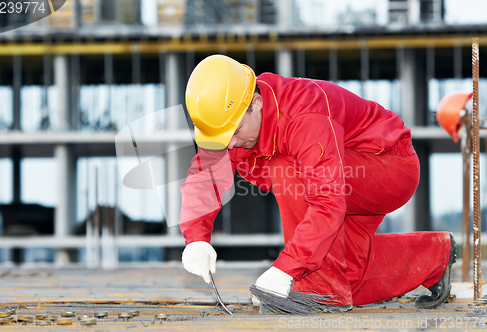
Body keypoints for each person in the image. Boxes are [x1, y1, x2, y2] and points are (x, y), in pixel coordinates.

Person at [179, 54, 456, 312]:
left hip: (388, 167)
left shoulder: (304, 113)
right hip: (338, 182)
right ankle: (434, 256)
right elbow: (204, 178)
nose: (230, 144)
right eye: (221, 138)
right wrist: (196, 240)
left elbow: (326, 200)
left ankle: (319, 289)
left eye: (236, 132)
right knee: (346, 277)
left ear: (256, 102)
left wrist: (285, 269)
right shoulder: (226, 124)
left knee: (286, 167)